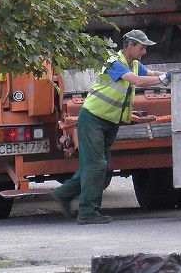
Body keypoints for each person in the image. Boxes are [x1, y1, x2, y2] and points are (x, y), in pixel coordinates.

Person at [52, 29, 172, 224]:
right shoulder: (114, 63)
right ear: (130, 46)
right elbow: (139, 81)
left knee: (98, 164)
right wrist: (163, 79)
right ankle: (87, 213)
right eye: (141, 48)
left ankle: (64, 193)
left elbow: (151, 73)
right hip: (93, 118)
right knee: (96, 165)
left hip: (109, 120)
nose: (144, 52)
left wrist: (172, 75)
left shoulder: (133, 64)